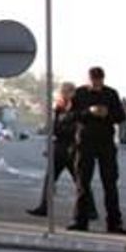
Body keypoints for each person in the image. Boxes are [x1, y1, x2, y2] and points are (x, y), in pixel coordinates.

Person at [68, 67, 126, 234]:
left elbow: (121, 116)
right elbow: (70, 116)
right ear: (88, 79)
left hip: (105, 143)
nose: (96, 83)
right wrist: (89, 112)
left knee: (110, 183)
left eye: (99, 79)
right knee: (83, 183)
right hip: (85, 142)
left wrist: (107, 114)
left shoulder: (110, 94)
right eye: (93, 79)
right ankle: (80, 220)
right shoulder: (79, 94)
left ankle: (114, 223)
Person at [27, 82, 94, 219]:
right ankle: (44, 207)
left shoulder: (79, 108)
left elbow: (77, 128)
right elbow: (56, 127)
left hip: (73, 148)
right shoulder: (59, 107)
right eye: (64, 91)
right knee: (50, 179)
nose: (66, 93)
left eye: (69, 91)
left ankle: (90, 210)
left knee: (80, 181)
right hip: (59, 147)